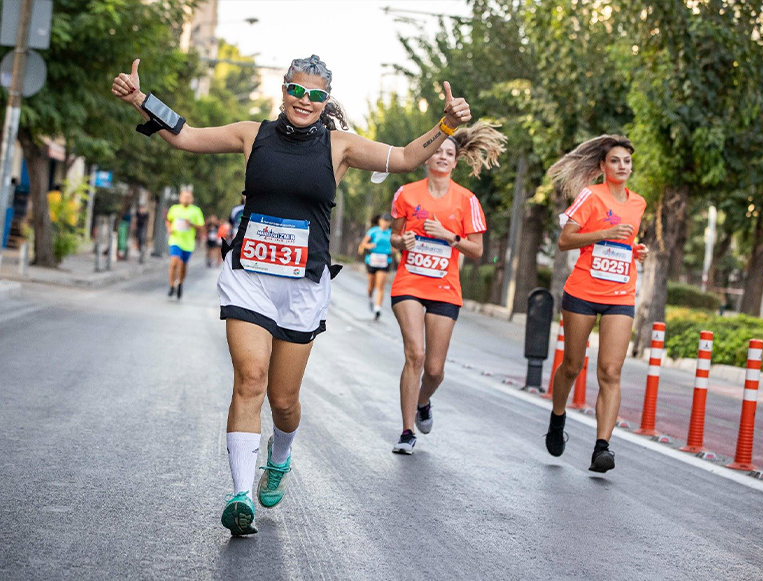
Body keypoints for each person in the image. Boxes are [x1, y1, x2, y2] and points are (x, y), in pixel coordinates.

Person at [112, 54, 473, 535]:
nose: (305, 101)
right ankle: (240, 495)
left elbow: (407, 156)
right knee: (250, 378)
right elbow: (187, 136)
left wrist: (445, 125)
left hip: (303, 286)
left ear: (327, 100)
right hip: (249, 276)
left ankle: (279, 456)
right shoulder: (250, 134)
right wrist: (142, 100)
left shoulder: (340, 146)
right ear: (283, 90)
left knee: (283, 401)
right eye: (296, 91)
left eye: (316, 95)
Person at [389, 122, 506, 454]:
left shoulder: (466, 201)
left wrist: (448, 236)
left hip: (444, 287)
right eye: (436, 151)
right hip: (409, 282)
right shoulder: (407, 194)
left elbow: (477, 250)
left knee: (435, 369)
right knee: (415, 354)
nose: (442, 157)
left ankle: (423, 400)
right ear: (427, 158)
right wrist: (403, 240)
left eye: (449, 153)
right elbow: (394, 238)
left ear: (456, 162)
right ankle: (407, 431)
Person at [544, 135, 649, 473]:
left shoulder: (638, 204)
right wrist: (603, 234)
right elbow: (565, 241)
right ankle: (558, 418)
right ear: (603, 167)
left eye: (627, 162)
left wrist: (636, 250)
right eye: (615, 161)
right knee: (573, 365)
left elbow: (624, 240)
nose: (622, 166)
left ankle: (602, 448)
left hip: (621, 293)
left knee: (611, 371)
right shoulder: (591, 196)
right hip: (584, 292)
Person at [165, 188, 205, 299]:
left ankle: (180, 283)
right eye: (184, 196)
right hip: (175, 240)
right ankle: (172, 285)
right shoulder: (174, 209)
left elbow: (201, 226)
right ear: (180, 198)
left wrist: (191, 224)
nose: (186, 199)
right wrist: (169, 228)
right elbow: (168, 220)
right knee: (174, 262)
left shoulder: (196, 211)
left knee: (183, 266)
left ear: (191, 199)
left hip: (188, 243)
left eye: (188, 197)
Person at [358, 213, 392, 320]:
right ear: (379, 221)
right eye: (383, 220)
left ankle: (378, 308)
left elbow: (396, 247)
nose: (385, 223)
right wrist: (369, 245)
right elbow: (363, 244)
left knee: (380, 285)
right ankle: (370, 298)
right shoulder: (373, 231)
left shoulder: (391, 233)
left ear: (390, 222)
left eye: (387, 221)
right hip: (372, 260)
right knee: (371, 286)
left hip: (384, 261)